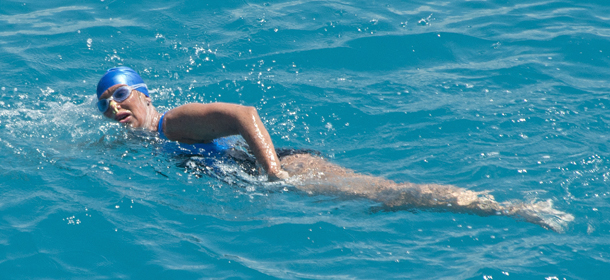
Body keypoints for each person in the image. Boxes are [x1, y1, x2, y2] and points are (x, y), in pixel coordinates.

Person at [96, 66, 574, 232]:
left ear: (143, 93)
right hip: (272, 167)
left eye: (120, 95)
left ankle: (515, 210)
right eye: (105, 106)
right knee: (384, 201)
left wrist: (275, 175)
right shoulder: (147, 140)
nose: (115, 107)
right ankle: (506, 209)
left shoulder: (172, 122)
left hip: (286, 166)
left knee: (389, 194)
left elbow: (245, 115)